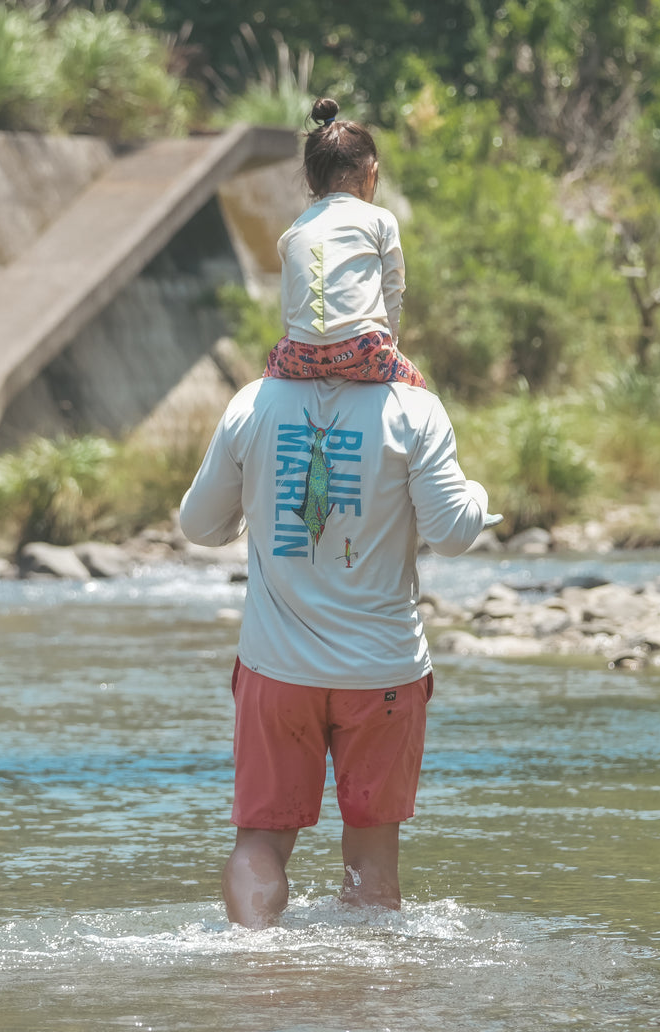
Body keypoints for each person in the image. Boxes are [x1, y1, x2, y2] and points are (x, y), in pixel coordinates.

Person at [178, 99, 493, 921]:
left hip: (275, 674)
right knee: (371, 871)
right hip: (382, 675)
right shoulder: (412, 409)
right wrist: (481, 497)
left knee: (258, 842)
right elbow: (456, 533)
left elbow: (197, 526)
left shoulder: (252, 404)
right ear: (371, 182)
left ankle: (253, 973)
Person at [264, 97, 427, 389]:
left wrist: (308, 345)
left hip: (301, 355)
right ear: (372, 173)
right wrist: (390, 345)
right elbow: (393, 289)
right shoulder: (381, 219)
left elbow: (288, 313)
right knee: (417, 388)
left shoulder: (294, 231)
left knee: (270, 370)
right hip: (365, 350)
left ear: (311, 181)